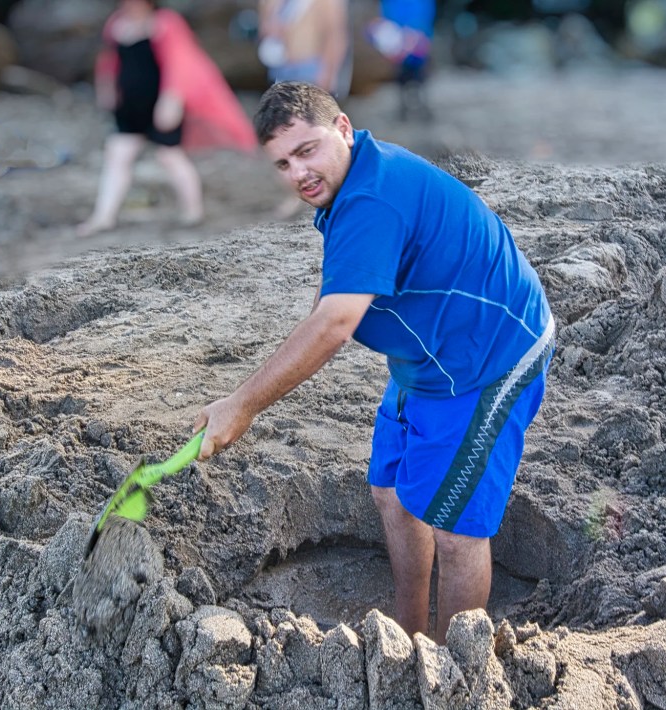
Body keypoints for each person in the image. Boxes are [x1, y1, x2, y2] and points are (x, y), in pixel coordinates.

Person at [194, 82, 555, 644]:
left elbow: (335, 323)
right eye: (283, 163)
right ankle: (410, 637)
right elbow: (335, 295)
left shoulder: (370, 199)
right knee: (391, 491)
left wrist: (240, 406)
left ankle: (454, 672)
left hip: (488, 357)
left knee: (457, 531)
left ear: (343, 127)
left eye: (307, 150)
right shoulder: (348, 185)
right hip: (426, 358)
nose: (299, 174)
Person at [78, 0, 257, 237]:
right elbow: (110, 60)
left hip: (160, 105)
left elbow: (180, 62)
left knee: (170, 156)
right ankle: (103, 216)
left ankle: (193, 211)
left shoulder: (166, 22)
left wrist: (172, 99)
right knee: (117, 155)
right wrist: (106, 88)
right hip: (130, 107)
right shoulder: (116, 24)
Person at [257, 0, 353, 98]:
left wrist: (328, 75)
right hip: (280, 68)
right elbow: (263, 29)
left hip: (310, 70)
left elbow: (335, 36)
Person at [367, 0, 436, 121]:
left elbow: (424, 14)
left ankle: (420, 104)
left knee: (419, 72)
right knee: (403, 73)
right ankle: (406, 105)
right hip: (397, 38)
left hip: (416, 37)